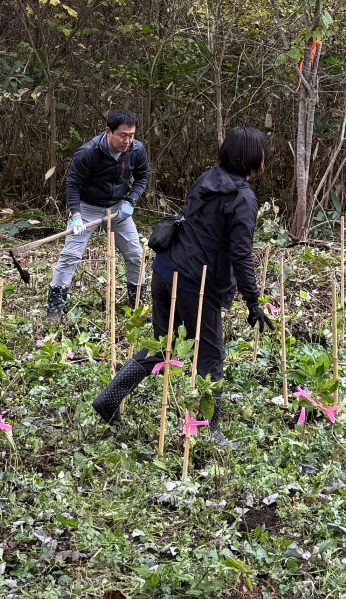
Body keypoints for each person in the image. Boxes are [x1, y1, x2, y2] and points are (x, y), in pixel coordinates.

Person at [92, 125, 272, 440]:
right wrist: (253, 300)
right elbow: (241, 254)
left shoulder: (208, 178)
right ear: (252, 158)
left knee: (163, 344)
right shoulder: (243, 198)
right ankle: (208, 429)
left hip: (165, 270)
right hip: (195, 284)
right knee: (211, 356)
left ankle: (109, 398)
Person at [46, 109, 150, 320]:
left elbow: (142, 177)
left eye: (131, 135)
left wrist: (131, 200)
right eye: (123, 135)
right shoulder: (87, 153)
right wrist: (75, 214)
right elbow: (73, 185)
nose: (128, 140)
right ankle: (55, 308)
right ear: (108, 132)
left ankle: (139, 306)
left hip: (119, 208)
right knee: (70, 256)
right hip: (87, 207)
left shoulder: (137, 150)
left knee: (136, 256)